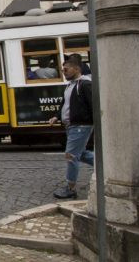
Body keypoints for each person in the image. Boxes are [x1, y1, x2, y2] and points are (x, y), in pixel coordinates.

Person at [49, 56, 94, 199]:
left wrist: (93, 123)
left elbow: (93, 105)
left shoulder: (84, 85)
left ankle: (70, 188)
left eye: (66, 69)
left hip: (81, 126)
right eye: (62, 70)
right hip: (71, 126)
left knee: (71, 156)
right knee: (81, 154)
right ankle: (108, 166)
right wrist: (56, 116)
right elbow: (64, 104)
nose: (64, 72)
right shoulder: (69, 86)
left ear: (77, 68)